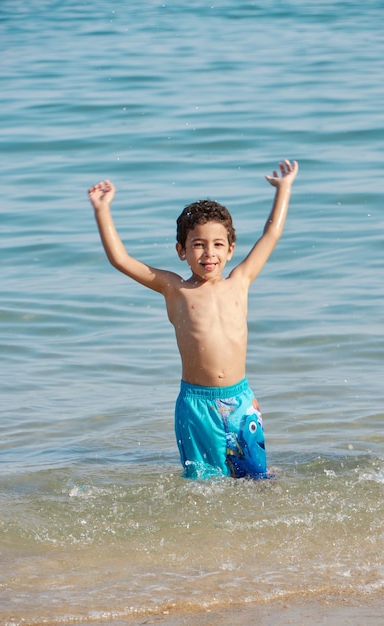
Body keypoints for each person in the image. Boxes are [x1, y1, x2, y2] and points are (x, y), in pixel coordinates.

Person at [88, 159, 298, 479]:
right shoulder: (175, 289)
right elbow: (121, 259)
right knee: (203, 486)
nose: (208, 253)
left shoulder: (240, 281)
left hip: (240, 401)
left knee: (258, 480)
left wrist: (283, 189)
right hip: (196, 406)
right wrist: (102, 209)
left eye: (217, 245)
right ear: (181, 251)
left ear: (231, 249)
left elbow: (272, 233)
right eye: (197, 245)